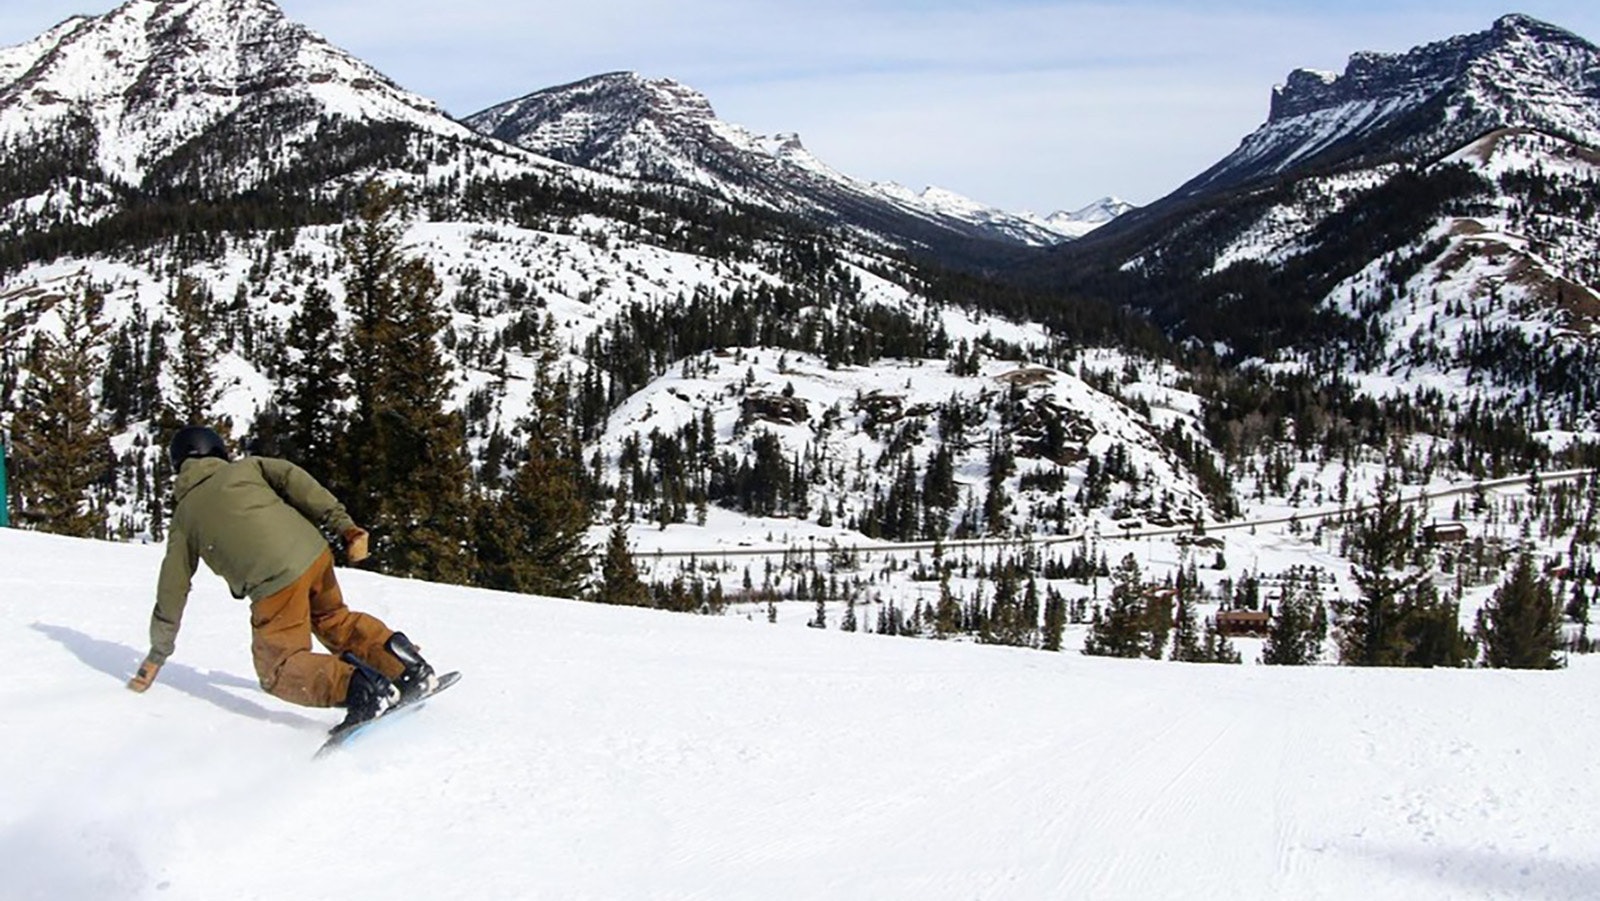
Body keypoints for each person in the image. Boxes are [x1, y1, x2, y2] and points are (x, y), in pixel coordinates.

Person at [128, 426, 438, 727]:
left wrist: (158, 654)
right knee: (334, 619)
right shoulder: (248, 468)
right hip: (314, 555)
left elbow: (173, 588)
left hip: (274, 582)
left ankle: (362, 690)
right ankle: (408, 667)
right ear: (218, 451)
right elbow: (295, 480)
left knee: (278, 668)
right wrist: (344, 525)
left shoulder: (185, 516)